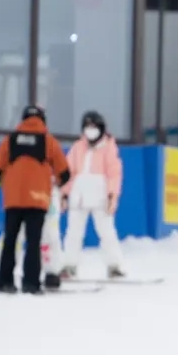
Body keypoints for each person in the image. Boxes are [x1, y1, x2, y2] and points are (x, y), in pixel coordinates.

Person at [0, 105, 70, 294]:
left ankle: (4, 281)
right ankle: (31, 283)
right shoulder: (48, 141)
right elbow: (64, 172)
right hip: (38, 199)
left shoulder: (11, 140)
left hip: (13, 200)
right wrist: (54, 183)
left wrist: (5, 184)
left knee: (10, 239)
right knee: (34, 242)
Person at [59, 111, 127, 279]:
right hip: (79, 196)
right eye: (87, 127)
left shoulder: (109, 147)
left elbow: (114, 173)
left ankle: (114, 266)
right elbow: (69, 173)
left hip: (100, 196)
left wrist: (112, 196)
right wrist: (64, 194)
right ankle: (69, 265)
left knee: (107, 232)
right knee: (73, 232)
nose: (91, 130)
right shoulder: (77, 147)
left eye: (94, 127)